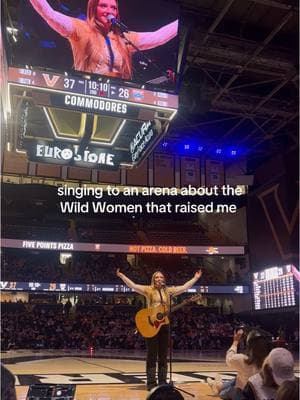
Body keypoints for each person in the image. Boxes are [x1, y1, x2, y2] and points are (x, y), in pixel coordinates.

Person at [29, 0, 178, 79]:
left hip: (118, 97)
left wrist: (183, 20)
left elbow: (158, 37)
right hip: (87, 92)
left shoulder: (124, 38)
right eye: (103, 6)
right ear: (93, 8)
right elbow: (49, 14)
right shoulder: (81, 29)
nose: (109, 11)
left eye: (113, 8)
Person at [116, 268, 202, 390]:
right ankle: (151, 382)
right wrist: (122, 276)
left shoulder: (168, 291)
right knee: (152, 354)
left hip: (164, 324)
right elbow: (133, 286)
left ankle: (162, 381)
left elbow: (183, 287)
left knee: (163, 355)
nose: (159, 279)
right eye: (157, 277)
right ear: (153, 280)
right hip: (151, 325)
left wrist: (195, 278)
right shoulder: (148, 290)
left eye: (161, 277)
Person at [207, 328, 272, 399]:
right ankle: (219, 386)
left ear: (249, 346)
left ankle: (219, 388)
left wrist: (235, 341)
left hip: (246, 395)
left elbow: (229, 358)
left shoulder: (242, 359)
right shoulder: (272, 362)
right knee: (238, 378)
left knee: (233, 390)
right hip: (262, 394)